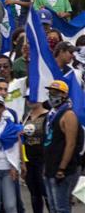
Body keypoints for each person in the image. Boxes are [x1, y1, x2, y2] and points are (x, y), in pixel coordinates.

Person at [42, 80, 83, 213]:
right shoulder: (51, 114)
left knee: (61, 207)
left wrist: (62, 168)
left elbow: (71, 144)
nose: (52, 96)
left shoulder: (68, 115)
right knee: (53, 206)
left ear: (64, 95)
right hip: (50, 166)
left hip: (62, 169)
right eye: (51, 92)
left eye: (56, 93)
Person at [21, 98, 48, 213]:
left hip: (43, 160)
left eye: (32, 97)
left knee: (46, 193)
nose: (29, 100)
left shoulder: (47, 116)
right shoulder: (25, 117)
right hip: (28, 160)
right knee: (34, 194)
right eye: (27, 98)